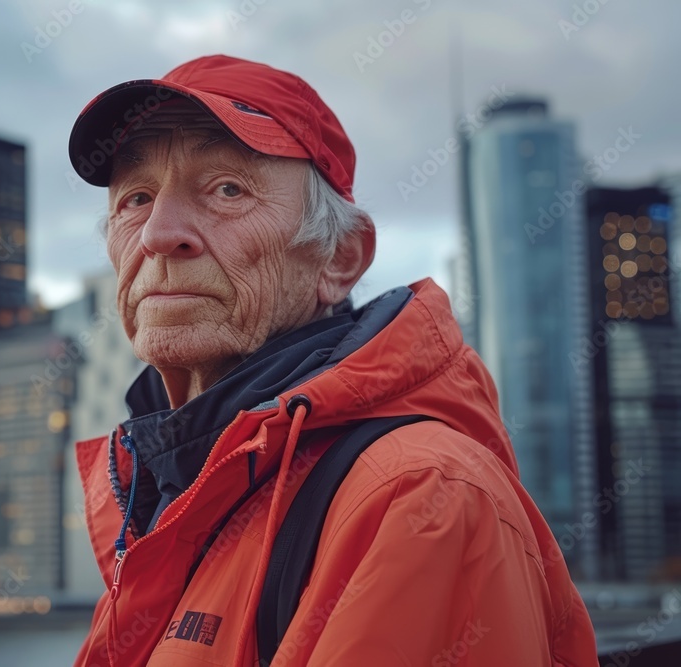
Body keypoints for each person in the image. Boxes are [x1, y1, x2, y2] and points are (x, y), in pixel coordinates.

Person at [66, 54, 599, 666]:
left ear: (340, 258)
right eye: (135, 198)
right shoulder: (172, 491)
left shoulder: (418, 494)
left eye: (227, 189)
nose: (160, 234)